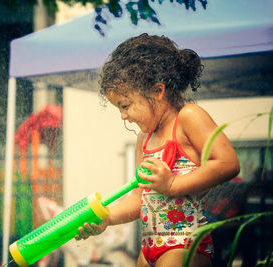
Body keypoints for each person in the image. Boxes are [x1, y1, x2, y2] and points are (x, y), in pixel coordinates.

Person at [74, 33, 240, 267]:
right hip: (150, 247)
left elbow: (227, 163)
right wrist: (108, 218)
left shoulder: (188, 118)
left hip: (185, 243)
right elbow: (141, 197)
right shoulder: (144, 139)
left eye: (126, 105)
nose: (123, 116)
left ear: (157, 91)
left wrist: (172, 185)